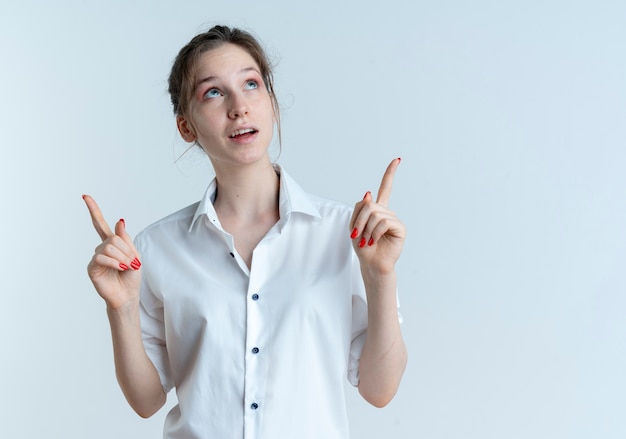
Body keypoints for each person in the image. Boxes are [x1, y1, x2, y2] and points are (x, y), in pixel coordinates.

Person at [83, 25, 407, 439]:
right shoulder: (154, 249)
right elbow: (146, 401)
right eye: (213, 93)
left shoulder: (347, 235)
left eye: (251, 84)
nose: (239, 107)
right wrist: (122, 309)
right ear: (186, 127)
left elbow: (380, 390)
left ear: (271, 102)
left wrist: (380, 275)